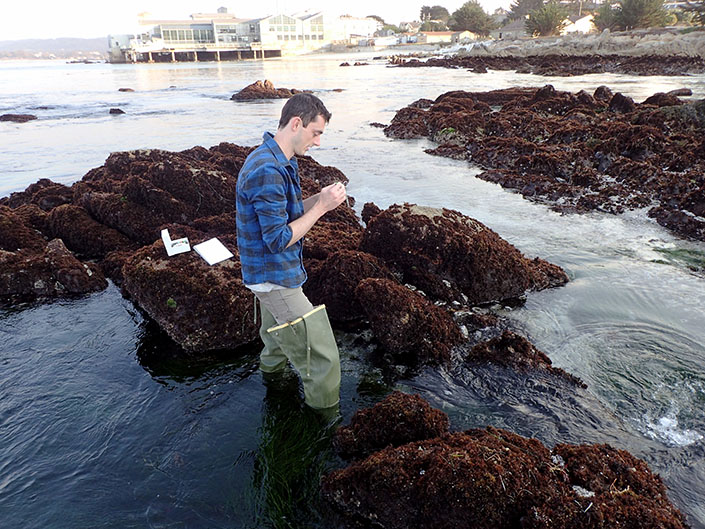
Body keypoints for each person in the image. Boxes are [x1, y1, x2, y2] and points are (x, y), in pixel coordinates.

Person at [236, 93, 347, 413]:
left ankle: (274, 394)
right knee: (324, 360)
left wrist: (321, 202)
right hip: (275, 278)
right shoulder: (268, 170)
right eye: (316, 133)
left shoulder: (277, 160)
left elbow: (289, 214)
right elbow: (277, 239)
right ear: (296, 123)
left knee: (275, 345)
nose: (318, 142)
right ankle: (324, 425)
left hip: (268, 277)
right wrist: (321, 208)